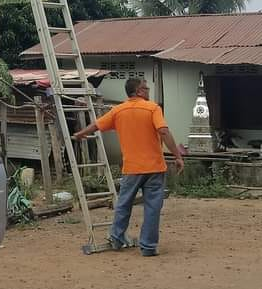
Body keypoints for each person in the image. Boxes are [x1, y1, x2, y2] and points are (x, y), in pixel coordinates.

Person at [73, 78, 186, 256]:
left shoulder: (118, 110)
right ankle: (148, 247)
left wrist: (80, 134)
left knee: (124, 204)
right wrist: (177, 156)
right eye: (146, 88)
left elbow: (97, 125)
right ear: (139, 90)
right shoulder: (152, 108)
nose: (148, 90)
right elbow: (163, 131)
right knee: (152, 207)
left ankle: (117, 238)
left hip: (131, 168)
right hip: (154, 168)